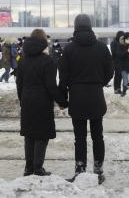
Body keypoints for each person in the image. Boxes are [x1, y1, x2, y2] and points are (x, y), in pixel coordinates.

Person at [59, 14, 113, 184]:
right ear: (90, 26)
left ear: (75, 26)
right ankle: (98, 170)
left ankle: (80, 169)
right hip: (96, 96)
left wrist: (68, 90)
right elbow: (110, 71)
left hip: (77, 97)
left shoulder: (69, 49)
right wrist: (99, 83)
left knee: (80, 137)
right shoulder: (101, 47)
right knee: (98, 136)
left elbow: (63, 75)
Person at [16, 29, 67, 176]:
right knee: (41, 135)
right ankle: (38, 168)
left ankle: (28, 168)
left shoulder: (23, 59)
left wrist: (22, 99)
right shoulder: (47, 61)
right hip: (42, 101)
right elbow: (51, 86)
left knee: (29, 135)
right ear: (43, 43)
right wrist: (62, 102)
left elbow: (19, 83)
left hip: (27, 100)